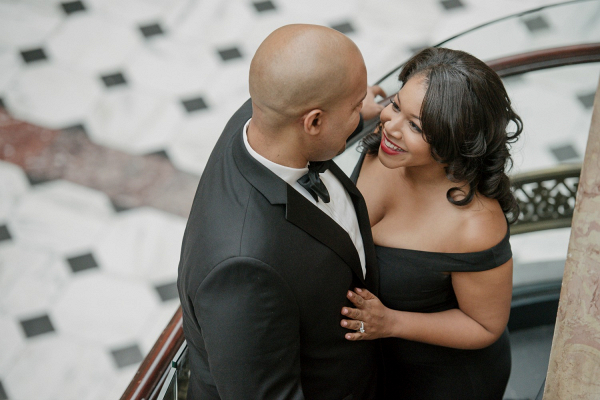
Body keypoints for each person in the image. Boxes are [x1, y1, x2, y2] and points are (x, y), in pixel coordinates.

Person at [177, 24, 384, 400]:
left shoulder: (265, 115)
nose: (366, 109)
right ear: (314, 121)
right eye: (356, 106)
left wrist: (366, 113)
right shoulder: (241, 270)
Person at [340, 47, 522, 400]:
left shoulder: (475, 225)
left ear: (457, 140)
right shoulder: (383, 143)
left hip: (444, 382)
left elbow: (485, 326)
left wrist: (390, 322)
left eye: (415, 126)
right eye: (395, 104)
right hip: (372, 364)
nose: (390, 127)